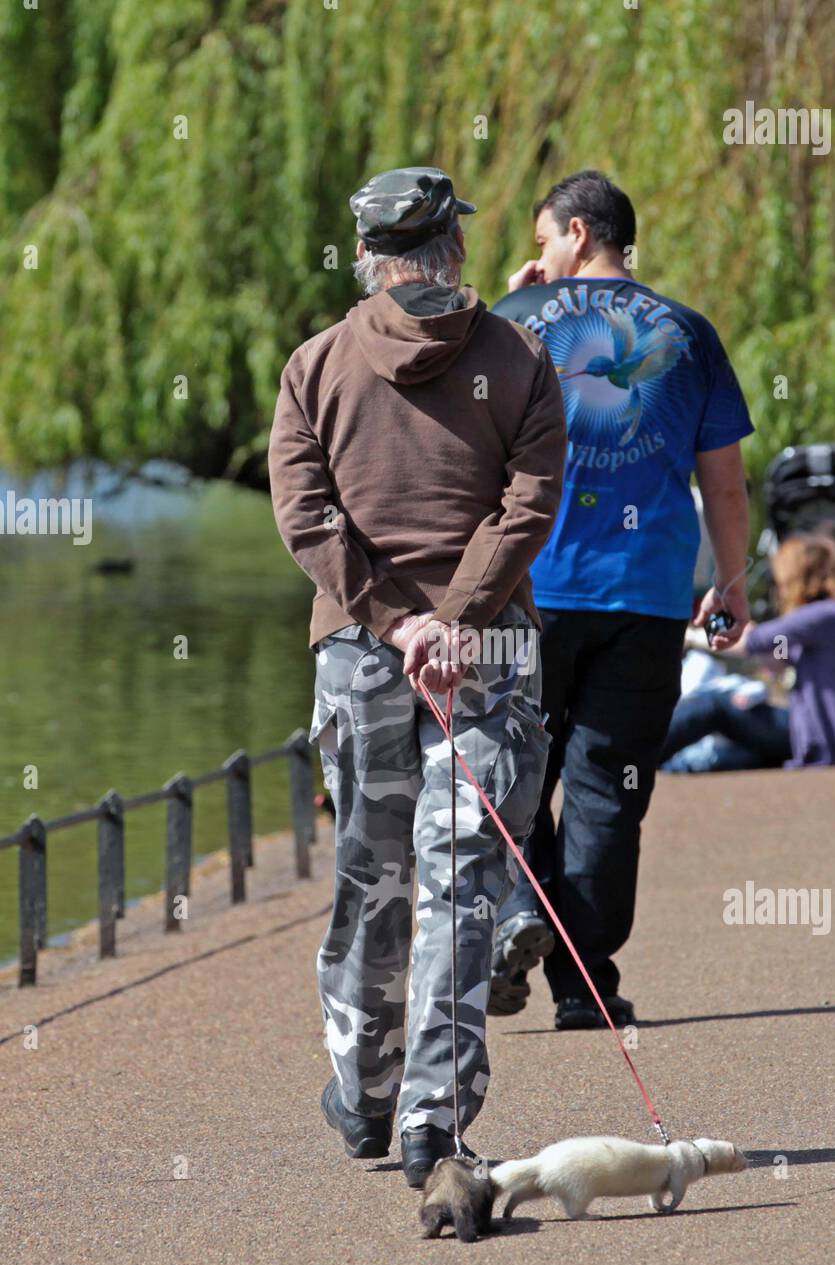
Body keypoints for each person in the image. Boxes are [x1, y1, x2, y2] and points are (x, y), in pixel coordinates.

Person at [267, 167, 566, 1186]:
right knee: (460, 885)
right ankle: (432, 1122)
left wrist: (393, 620)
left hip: (358, 654)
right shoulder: (521, 358)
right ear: (453, 248)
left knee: (369, 873)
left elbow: (307, 516)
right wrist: (454, 617)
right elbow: (528, 505)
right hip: (482, 654)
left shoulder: (315, 365)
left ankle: (363, 1091)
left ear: (365, 254)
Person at [488, 170, 754, 1028]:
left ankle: (520, 911)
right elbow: (725, 483)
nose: (538, 257)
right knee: (609, 782)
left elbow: (457, 401)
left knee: (513, 765)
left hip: (528, 590)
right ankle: (585, 980)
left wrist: (505, 302)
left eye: (541, 241)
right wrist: (733, 581)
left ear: (576, 232)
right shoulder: (689, 332)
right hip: (646, 596)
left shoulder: (516, 326)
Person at [660, 534, 835, 769]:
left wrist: (688, 636)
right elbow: (779, 657)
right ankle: (658, 762)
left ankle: (637, 755)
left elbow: (751, 642)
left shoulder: (825, 614)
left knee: (713, 705)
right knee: (707, 760)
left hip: (825, 738)